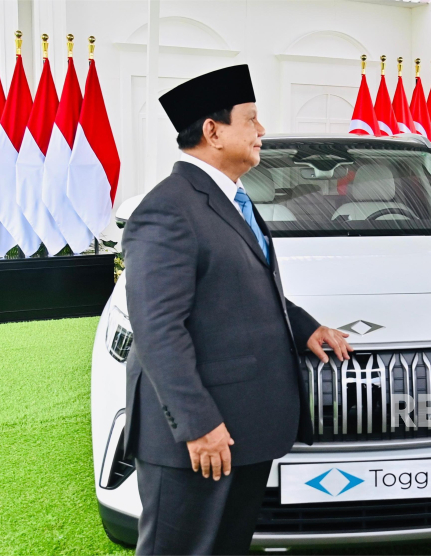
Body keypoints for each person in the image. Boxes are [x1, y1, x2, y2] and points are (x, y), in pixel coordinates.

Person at [121, 65, 354, 556]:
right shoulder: (167, 208)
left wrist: (305, 328)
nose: (262, 130)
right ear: (212, 130)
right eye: (251, 119)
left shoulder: (228, 199)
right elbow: (157, 327)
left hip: (244, 426)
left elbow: (242, 287)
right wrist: (199, 425)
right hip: (199, 438)